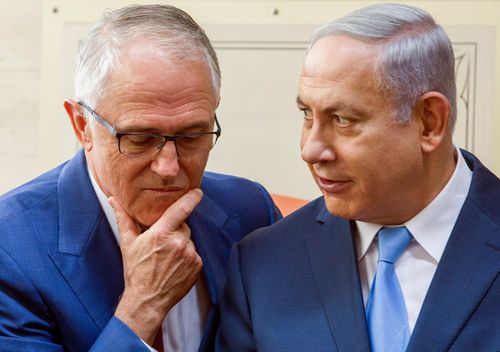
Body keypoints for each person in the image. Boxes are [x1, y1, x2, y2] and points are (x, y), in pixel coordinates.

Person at [216, 3, 499, 352]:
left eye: (343, 119)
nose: (310, 149)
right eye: (307, 114)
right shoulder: (261, 267)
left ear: (429, 122)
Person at [0, 4, 281, 352]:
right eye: (139, 139)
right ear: (82, 126)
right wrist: (142, 307)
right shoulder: (10, 247)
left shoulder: (251, 212)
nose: (168, 167)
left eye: (192, 136)